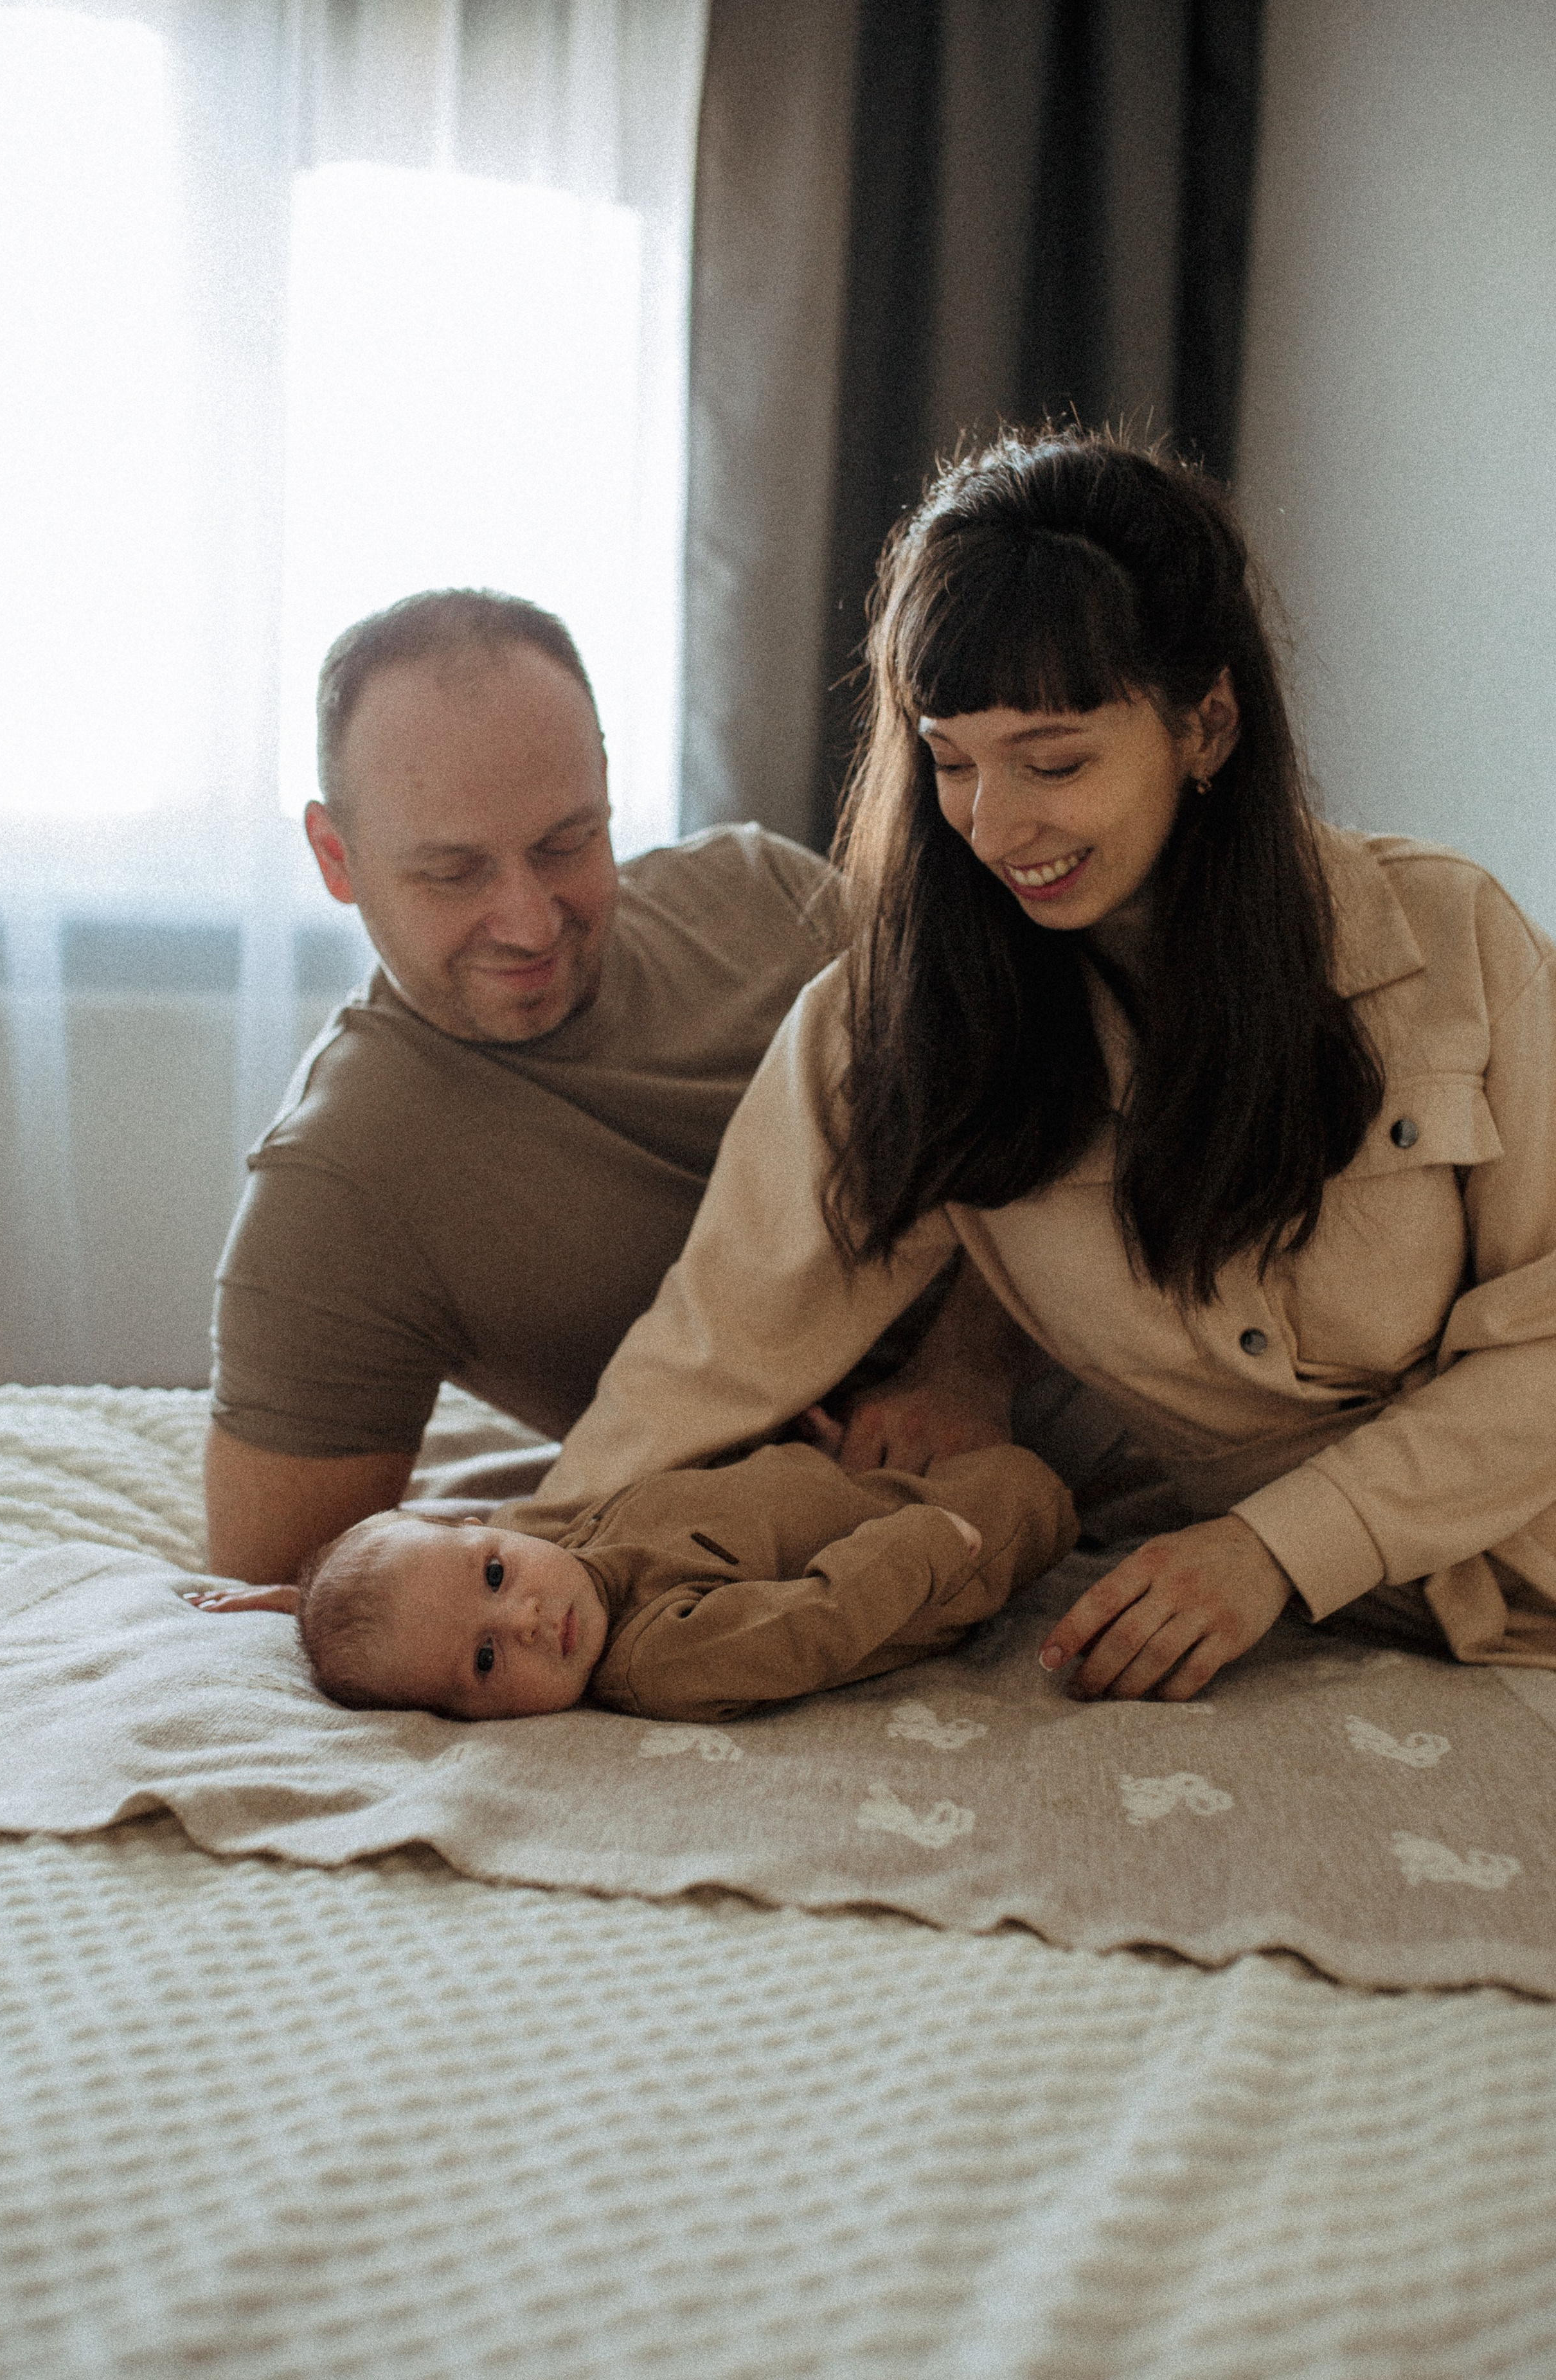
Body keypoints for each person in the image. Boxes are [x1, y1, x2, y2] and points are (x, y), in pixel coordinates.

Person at [515, 427, 1556, 1698]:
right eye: (949, 763)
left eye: (1053, 762)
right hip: (1355, 1619)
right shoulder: (896, 1026)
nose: (993, 828)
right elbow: (716, 1344)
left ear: (1207, 724)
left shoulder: (1450, 943)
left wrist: (1270, 1551)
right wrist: (506, 1559)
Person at [209, 586, 990, 1585]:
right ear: (336, 857)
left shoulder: (763, 895)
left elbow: (1048, 1113)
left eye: (565, 842)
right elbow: (280, 1590)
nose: (530, 922)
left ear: (608, 783)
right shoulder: (339, 1187)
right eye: (454, 872)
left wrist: (970, 1364)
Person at [189, 1434, 1077, 1723]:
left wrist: (304, 1596)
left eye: (495, 1574)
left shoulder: (571, 1551)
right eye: (488, 1662)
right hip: (957, 1545)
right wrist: (927, 1541)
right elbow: (820, 1620)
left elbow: (422, 1594)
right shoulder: (662, 1655)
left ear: (486, 1530)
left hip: (865, 1476)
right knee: (1045, 1480)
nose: (529, 1618)